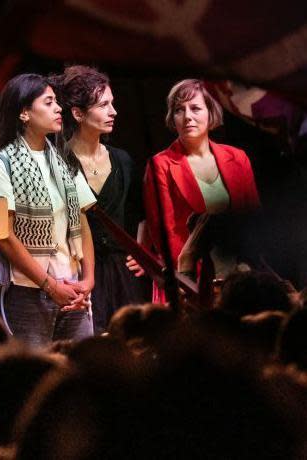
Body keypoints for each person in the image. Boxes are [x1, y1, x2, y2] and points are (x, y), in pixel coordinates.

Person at [0, 73, 96, 348]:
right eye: (48, 102)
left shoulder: (64, 158)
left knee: (82, 373)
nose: (58, 109)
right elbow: (4, 235)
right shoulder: (0, 164)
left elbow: (81, 220)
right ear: (24, 113)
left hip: (73, 288)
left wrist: (88, 280)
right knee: (34, 376)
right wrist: (49, 285)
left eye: (57, 102)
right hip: (27, 291)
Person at [143, 79, 261, 300]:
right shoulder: (160, 165)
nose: (187, 116)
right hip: (190, 280)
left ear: (211, 112)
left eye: (195, 108)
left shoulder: (238, 158)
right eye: (179, 110)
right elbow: (165, 234)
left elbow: (254, 220)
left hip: (241, 277)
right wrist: (189, 279)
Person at [53, 65, 144, 334]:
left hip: (122, 273)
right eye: (103, 105)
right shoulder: (58, 161)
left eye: (112, 103)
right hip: (78, 272)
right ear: (78, 113)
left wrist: (140, 252)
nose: (113, 111)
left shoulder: (122, 160)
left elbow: (140, 213)